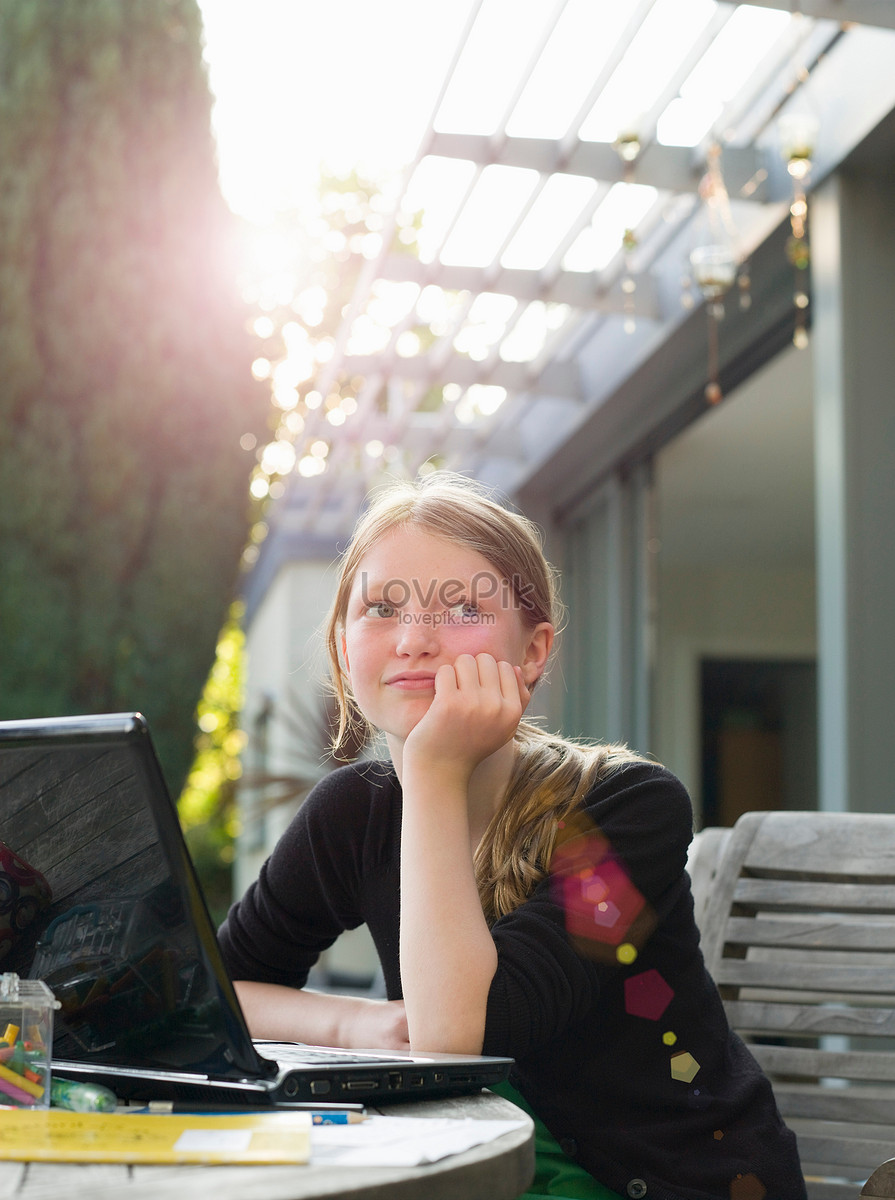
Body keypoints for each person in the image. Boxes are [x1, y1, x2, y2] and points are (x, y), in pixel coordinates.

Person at [218, 470, 806, 1200]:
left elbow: (458, 1037)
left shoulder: (627, 812)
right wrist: (354, 1024)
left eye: (462, 607)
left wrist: (432, 771)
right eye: (379, 608)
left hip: (677, 1182)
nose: (413, 640)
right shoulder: (354, 814)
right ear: (343, 649)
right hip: (478, 1172)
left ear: (531, 653)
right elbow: (215, 992)